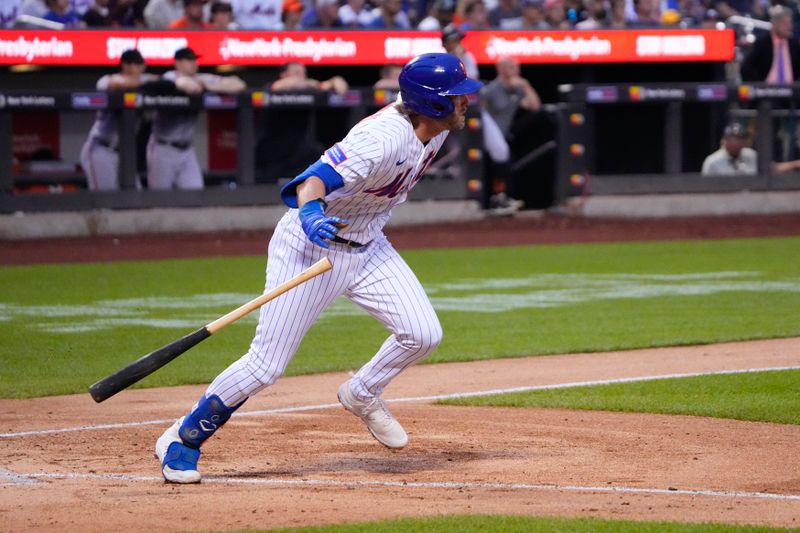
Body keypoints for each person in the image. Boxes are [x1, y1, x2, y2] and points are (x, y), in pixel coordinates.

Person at [154, 52, 482, 484]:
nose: (466, 103)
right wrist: (310, 214)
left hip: (368, 245)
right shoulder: (381, 138)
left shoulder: (434, 131)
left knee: (423, 334)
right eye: (457, 97)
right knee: (265, 366)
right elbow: (314, 179)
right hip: (312, 248)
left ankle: (362, 393)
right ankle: (183, 438)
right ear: (434, 104)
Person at [147, 47, 246, 190]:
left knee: (196, 192)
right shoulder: (169, 77)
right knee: (159, 197)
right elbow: (192, 88)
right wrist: (208, 86)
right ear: (177, 63)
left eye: (194, 60)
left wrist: (207, 85)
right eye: (189, 60)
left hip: (186, 149)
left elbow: (239, 84)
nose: (194, 63)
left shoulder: (201, 78)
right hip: (163, 147)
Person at [255, 62, 348, 184]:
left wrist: (335, 80)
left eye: (304, 73)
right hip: (273, 148)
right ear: (284, 74)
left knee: (321, 154)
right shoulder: (273, 87)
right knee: (266, 181)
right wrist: (317, 84)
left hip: (300, 147)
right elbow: (284, 85)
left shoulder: (308, 88)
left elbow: (341, 86)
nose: (302, 76)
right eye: (297, 73)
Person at [80, 49, 156, 190]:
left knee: (136, 196)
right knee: (105, 199)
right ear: (125, 65)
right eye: (134, 64)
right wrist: (149, 82)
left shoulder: (143, 87)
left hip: (124, 153)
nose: (139, 68)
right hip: (101, 149)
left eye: (141, 64)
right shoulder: (107, 80)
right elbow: (118, 83)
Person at [740, 5, 800, 83]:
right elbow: (745, 69)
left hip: (792, 91)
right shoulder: (762, 43)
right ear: (774, 23)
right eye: (784, 23)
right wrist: (759, 86)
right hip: (765, 91)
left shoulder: (794, 44)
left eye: (789, 23)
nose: (788, 27)